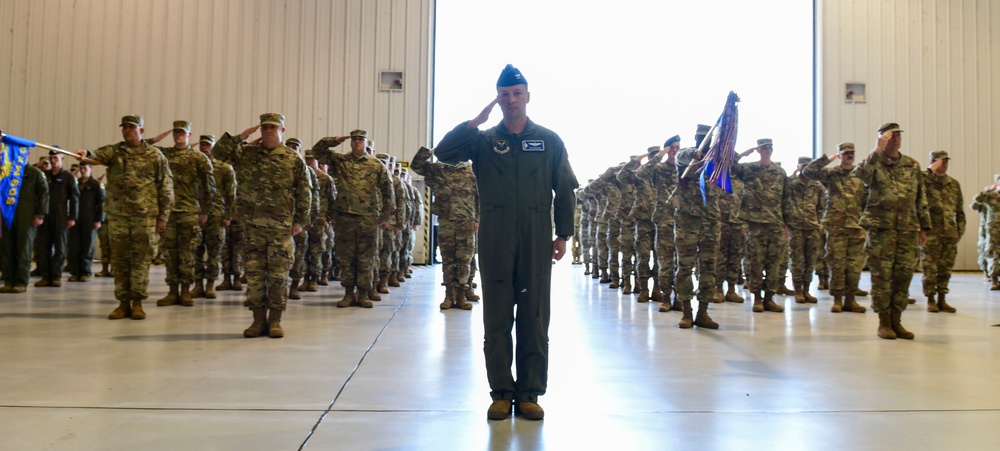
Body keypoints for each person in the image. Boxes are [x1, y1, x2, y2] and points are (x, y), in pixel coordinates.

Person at [434, 64, 578, 421]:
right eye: (504, 94)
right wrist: (475, 121)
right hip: (496, 233)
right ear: (497, 99)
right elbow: (443, 152)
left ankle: (529, 392)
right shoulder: (483, 141)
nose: (511, 100)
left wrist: (563, 234)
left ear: (528, 96)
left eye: (517, 93)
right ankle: (501, 392)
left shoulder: (548, 140)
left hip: (535, 232)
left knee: (534, 315)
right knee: (497, 316)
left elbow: (565, 188)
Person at [214, 114, 311, 338]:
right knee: (255, 276)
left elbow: (304, 193)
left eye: (273, 127)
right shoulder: (246, 154)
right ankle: (257, 321)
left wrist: (299, 221)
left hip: (280, 228)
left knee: (278, 276)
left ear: (282, 130)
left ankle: (275, 321)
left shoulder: (292, 159)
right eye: (265, 127)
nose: (268, 131)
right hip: (252, 227)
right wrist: (240, 137)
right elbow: (219, 154)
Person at [74, 115, 174, 320]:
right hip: (118, 216)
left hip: (145, 217)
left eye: (132, 127)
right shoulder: (114, 151)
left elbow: (166, 187)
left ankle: (137, 303)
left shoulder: (155, 155)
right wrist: (84, 154)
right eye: (125, 127)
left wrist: (163, 217)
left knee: (140, 260)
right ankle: (122, 303)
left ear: (141, 131)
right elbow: (94, 156)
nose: (128, 130)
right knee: (119, 261)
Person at [853, 123, 931, 339]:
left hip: (907, 228)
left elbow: (920, 197)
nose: (895, 139)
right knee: (882, 276)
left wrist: (924, 226)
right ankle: (884, 322)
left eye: (897, 135)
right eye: (889, 136)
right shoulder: (874, 162)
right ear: (881, 139)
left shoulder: (911, 165)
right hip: (881, 229)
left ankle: (897, 321)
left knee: (903, 275)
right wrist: (876, 150)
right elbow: (860, 176)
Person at [310, 130, 394, 308]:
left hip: (368, 217)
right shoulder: (340, 161)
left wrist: (386, 216)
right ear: (350, 142)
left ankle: (363, 293)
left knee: (366, 257)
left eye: (360, 140)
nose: (357, 142)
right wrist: (333, 140)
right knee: (346, 257)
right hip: (344, 216)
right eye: (354, 140)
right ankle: (348, 293)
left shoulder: (376, 165)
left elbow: (388, 191)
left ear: (365, 142)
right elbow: (317, 151)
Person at [147, 121, 216, 307]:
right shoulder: (165, 155)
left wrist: (205, 211)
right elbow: (142, 147)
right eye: (176, 132)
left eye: (182, 132)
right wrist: (155, 138)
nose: (178, 135)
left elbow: (209, 187)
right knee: (170, 254)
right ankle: (172, 291)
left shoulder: (198, 158)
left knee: (187, 254)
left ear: (189, 135)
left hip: (189, 212)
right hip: (168, 213)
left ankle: (185, 291)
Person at [802, 143, 868, 313]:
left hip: (855, 227)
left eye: (852, 153)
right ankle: (838, 300)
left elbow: (867, 200)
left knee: (854, 266)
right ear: (840, 155)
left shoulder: (859, 175)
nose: (849, 156)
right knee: (837, 265)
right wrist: (829, 158)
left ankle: (851, 300)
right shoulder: (831, 174)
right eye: (846, 153)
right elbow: (808, 172)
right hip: (836, 227)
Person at [411, 146, 478, 310]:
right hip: (446, 221)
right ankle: (449, 296)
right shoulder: (438, 168)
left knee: (464, 260)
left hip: (467, 222)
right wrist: (428, 152)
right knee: (448, 260)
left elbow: (480, 196)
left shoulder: (472, 170)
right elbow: (416, 166)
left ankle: (461, 295)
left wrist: (478, 219)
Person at [732, 139, 787, 313]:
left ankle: (769, 298)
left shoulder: (780, 172)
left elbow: (786, 199)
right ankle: (757, 299)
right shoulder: (749, 168)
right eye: (763, 148)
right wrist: (742, 154)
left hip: (776, 223)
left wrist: (787, 224)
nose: (767, 151)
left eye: (769, 148)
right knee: (755, 262)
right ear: (759, 150)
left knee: (774, 262)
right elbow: (729, 167)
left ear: (772, 149)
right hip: (756, 225)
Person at [920, 151, 965, 312]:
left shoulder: (953, 184)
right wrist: (929, 170)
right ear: (933, 162)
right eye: (941, 161)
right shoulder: (925, 181)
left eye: (947, 161)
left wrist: (959, 232)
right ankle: (930, 299)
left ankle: (942, 299)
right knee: (929, 268)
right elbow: (914, 183)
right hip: (931, 234)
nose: (945, 164)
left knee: (946, 268)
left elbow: (959, 211)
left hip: (949, 234)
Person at [193, 134, 236, 299]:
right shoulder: (194, 165)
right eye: (202, 144)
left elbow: (231, 193)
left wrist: (228, 215)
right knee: (196, 251)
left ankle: (210, 284)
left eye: (208, 145)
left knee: (214, 253)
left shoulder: (224, 168)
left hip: (216, 216)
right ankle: (198, 285)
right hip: (196, 215)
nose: (204, 147)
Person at [0, 156, 48, 294]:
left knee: (24, 249)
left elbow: (44, 193)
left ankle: (21, 282)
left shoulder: (35, 173)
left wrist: (40, 214)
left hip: (26, 216)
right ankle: (9, 281)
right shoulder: (6, 172)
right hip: (7, 215)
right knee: (6, 249)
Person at [783, 156, 825, 304]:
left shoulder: (817, 186)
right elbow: (785, 187)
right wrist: (795, 172)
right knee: (796, 261)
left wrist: (819, 224)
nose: (806, 169)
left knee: (810, 261)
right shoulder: (792, 184)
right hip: (796, 227)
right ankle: (798, 291)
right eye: (803, 166)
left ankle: (806, 290)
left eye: (808, 166)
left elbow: (821, 207)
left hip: (812, 227)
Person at [35, 151, 80, 287]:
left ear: (62, 159)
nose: (53, 161)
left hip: (61, 215)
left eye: (56, 158)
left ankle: (56, 276)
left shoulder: (68, 176)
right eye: (51, 158)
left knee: (60, 248)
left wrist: (73, 217)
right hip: (45, 215)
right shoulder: (44, 175)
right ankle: (45, 276)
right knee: (43, 247)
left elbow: (74, 198)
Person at [66, 162, 105, 282]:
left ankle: (85, 272)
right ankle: (75, 272)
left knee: (87, 247)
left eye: (85, 168)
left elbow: (102, 203)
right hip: (75, 219)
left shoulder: (96, 184)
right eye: (81, 168)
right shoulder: (75, 184)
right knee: (74, 247)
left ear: (90, 169)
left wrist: (99, 219)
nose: (82, 170)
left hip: (90, 220)